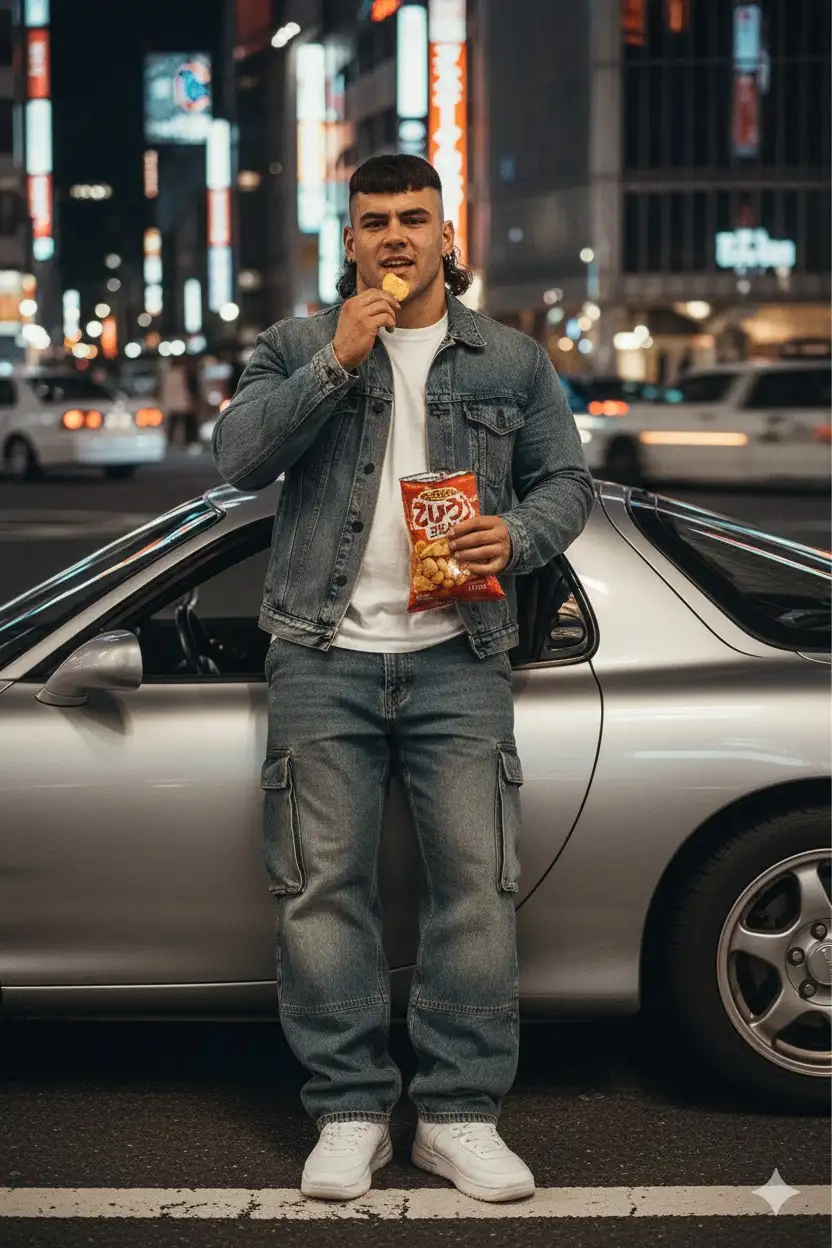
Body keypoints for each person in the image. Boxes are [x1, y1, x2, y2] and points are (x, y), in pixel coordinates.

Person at [212, 154, 593, 1204]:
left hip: (460, 658)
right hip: (319, 655)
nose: (394, 237)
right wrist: (333, 363)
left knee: (474, 893)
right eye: (373, 220)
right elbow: (235, 459)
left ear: (442, 232)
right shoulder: (294, 345)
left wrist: (511, 536)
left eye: (412, 219)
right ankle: (348, 1113)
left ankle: (459, 1116)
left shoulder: (510, 360)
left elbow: (568, 479)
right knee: (320, 892)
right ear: (349, 238)